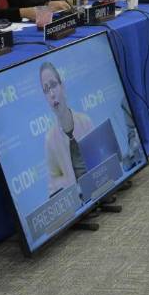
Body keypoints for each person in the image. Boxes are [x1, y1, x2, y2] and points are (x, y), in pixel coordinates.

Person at [40, 61, 96, 196]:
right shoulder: (50, 140)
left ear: (62, 87)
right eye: (46, 90)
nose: (52, 94)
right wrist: (69, 184)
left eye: (53, 85)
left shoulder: (85, 121)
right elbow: (53, 187)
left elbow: (102, 161)